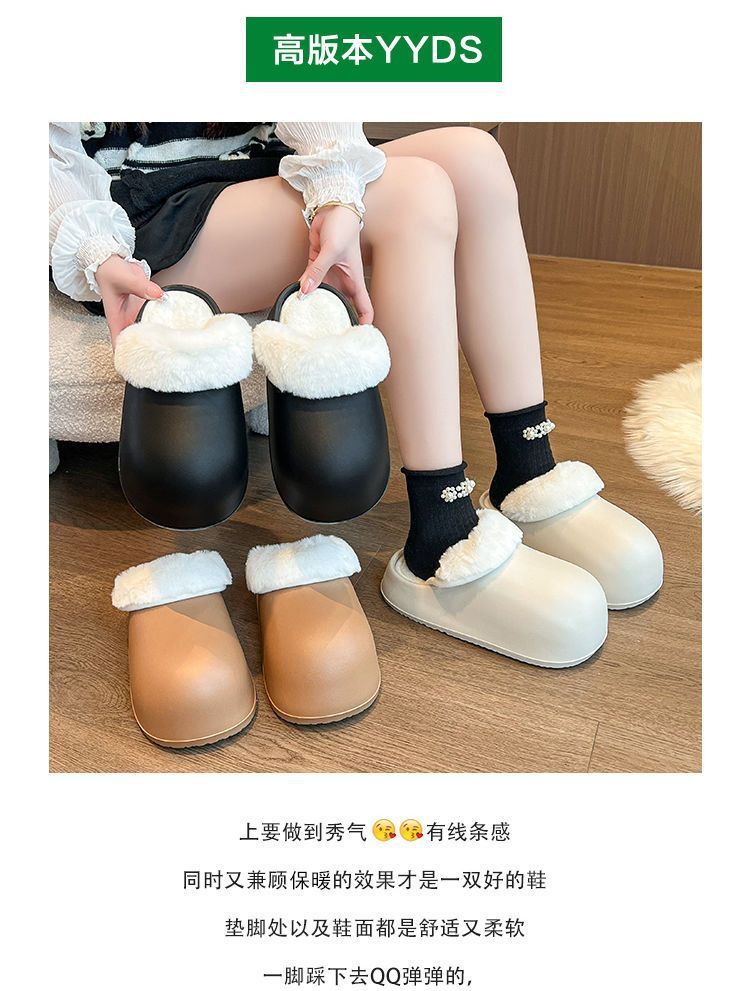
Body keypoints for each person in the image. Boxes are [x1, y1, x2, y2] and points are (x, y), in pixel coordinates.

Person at [49, 122, 662, 653]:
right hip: (136, 212)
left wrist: (336, 192)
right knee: (413, 196)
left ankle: (527, 469)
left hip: (251, 168)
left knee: (475, 159)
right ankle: (440, 538)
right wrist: (96, 251)